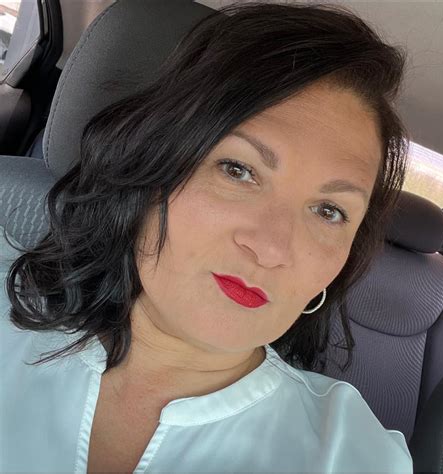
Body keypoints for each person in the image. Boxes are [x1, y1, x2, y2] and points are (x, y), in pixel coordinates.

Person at [1, 1, 413, 473]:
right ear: (152, 169)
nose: (271, 248)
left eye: (329, 211)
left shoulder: (353, 455)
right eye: (238, 170)